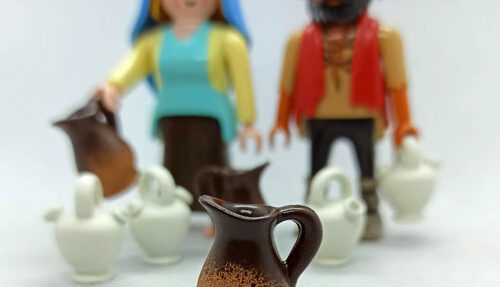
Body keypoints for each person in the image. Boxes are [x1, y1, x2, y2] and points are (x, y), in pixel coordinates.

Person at [270, 0, 420, 240]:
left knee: (367, 169)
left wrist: (404, 122)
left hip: (362, 115)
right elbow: (287, 85)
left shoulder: (383, 36)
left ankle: (370, 213)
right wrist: (280, 120)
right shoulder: (299, 40)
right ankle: (310, 218)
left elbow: (397, 83)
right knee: (317, 171)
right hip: (319, 116)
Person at [98, 0, 261, 209]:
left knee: (212, 170)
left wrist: (248, 121)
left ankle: (218, 213)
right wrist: (113, 87)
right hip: (171, 118)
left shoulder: (228, 40)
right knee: (173, 169)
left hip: (212, 119)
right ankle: (172, 210)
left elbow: (242, 81)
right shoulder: (153, 41)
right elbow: (132, 65)